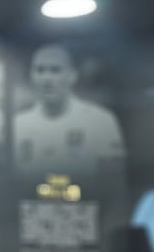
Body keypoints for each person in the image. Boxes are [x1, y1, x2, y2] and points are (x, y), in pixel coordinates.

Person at [12, 44, 125, 173]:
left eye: (55, 70)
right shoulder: (17, 126)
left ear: (72, 76)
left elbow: (113, 179)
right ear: (31, 76)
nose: (47, 78)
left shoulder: (100, 122)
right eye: (40, 70)